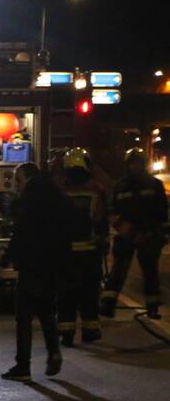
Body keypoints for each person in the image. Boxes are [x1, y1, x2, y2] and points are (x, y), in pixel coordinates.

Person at [0, 161, 71, 381]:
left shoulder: (29, 200)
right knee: (48, 313)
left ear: (26, 178)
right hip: (53, 264)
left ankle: (23, 367)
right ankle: (54, 352)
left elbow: (21, 232)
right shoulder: (56, 195)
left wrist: (5, 259)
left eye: (17, 181)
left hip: (31, 265)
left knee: (24, 318)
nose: (16, 186)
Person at [100, 148, 170, 320]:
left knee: (150, 273)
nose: (135, 167)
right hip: (126, 234)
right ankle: (107, 305)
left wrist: (163, 234)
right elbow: (111, 210)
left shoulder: (154, 185)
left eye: (138, 163)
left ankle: (152, 307)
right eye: (132, 164)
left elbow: (162, 211)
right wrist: (123, 228)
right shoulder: (120, 186)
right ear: (127, 165)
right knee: (118, 271)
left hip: (149, 235)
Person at [57, 148, 109, 345]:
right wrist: (104, 242)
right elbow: (101, 220)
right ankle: (90, 331)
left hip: (65, 252)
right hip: (89, 251)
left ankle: (66, 333)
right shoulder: (96, 189)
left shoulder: (60, 189)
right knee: (89, 294)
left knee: (65, 294)